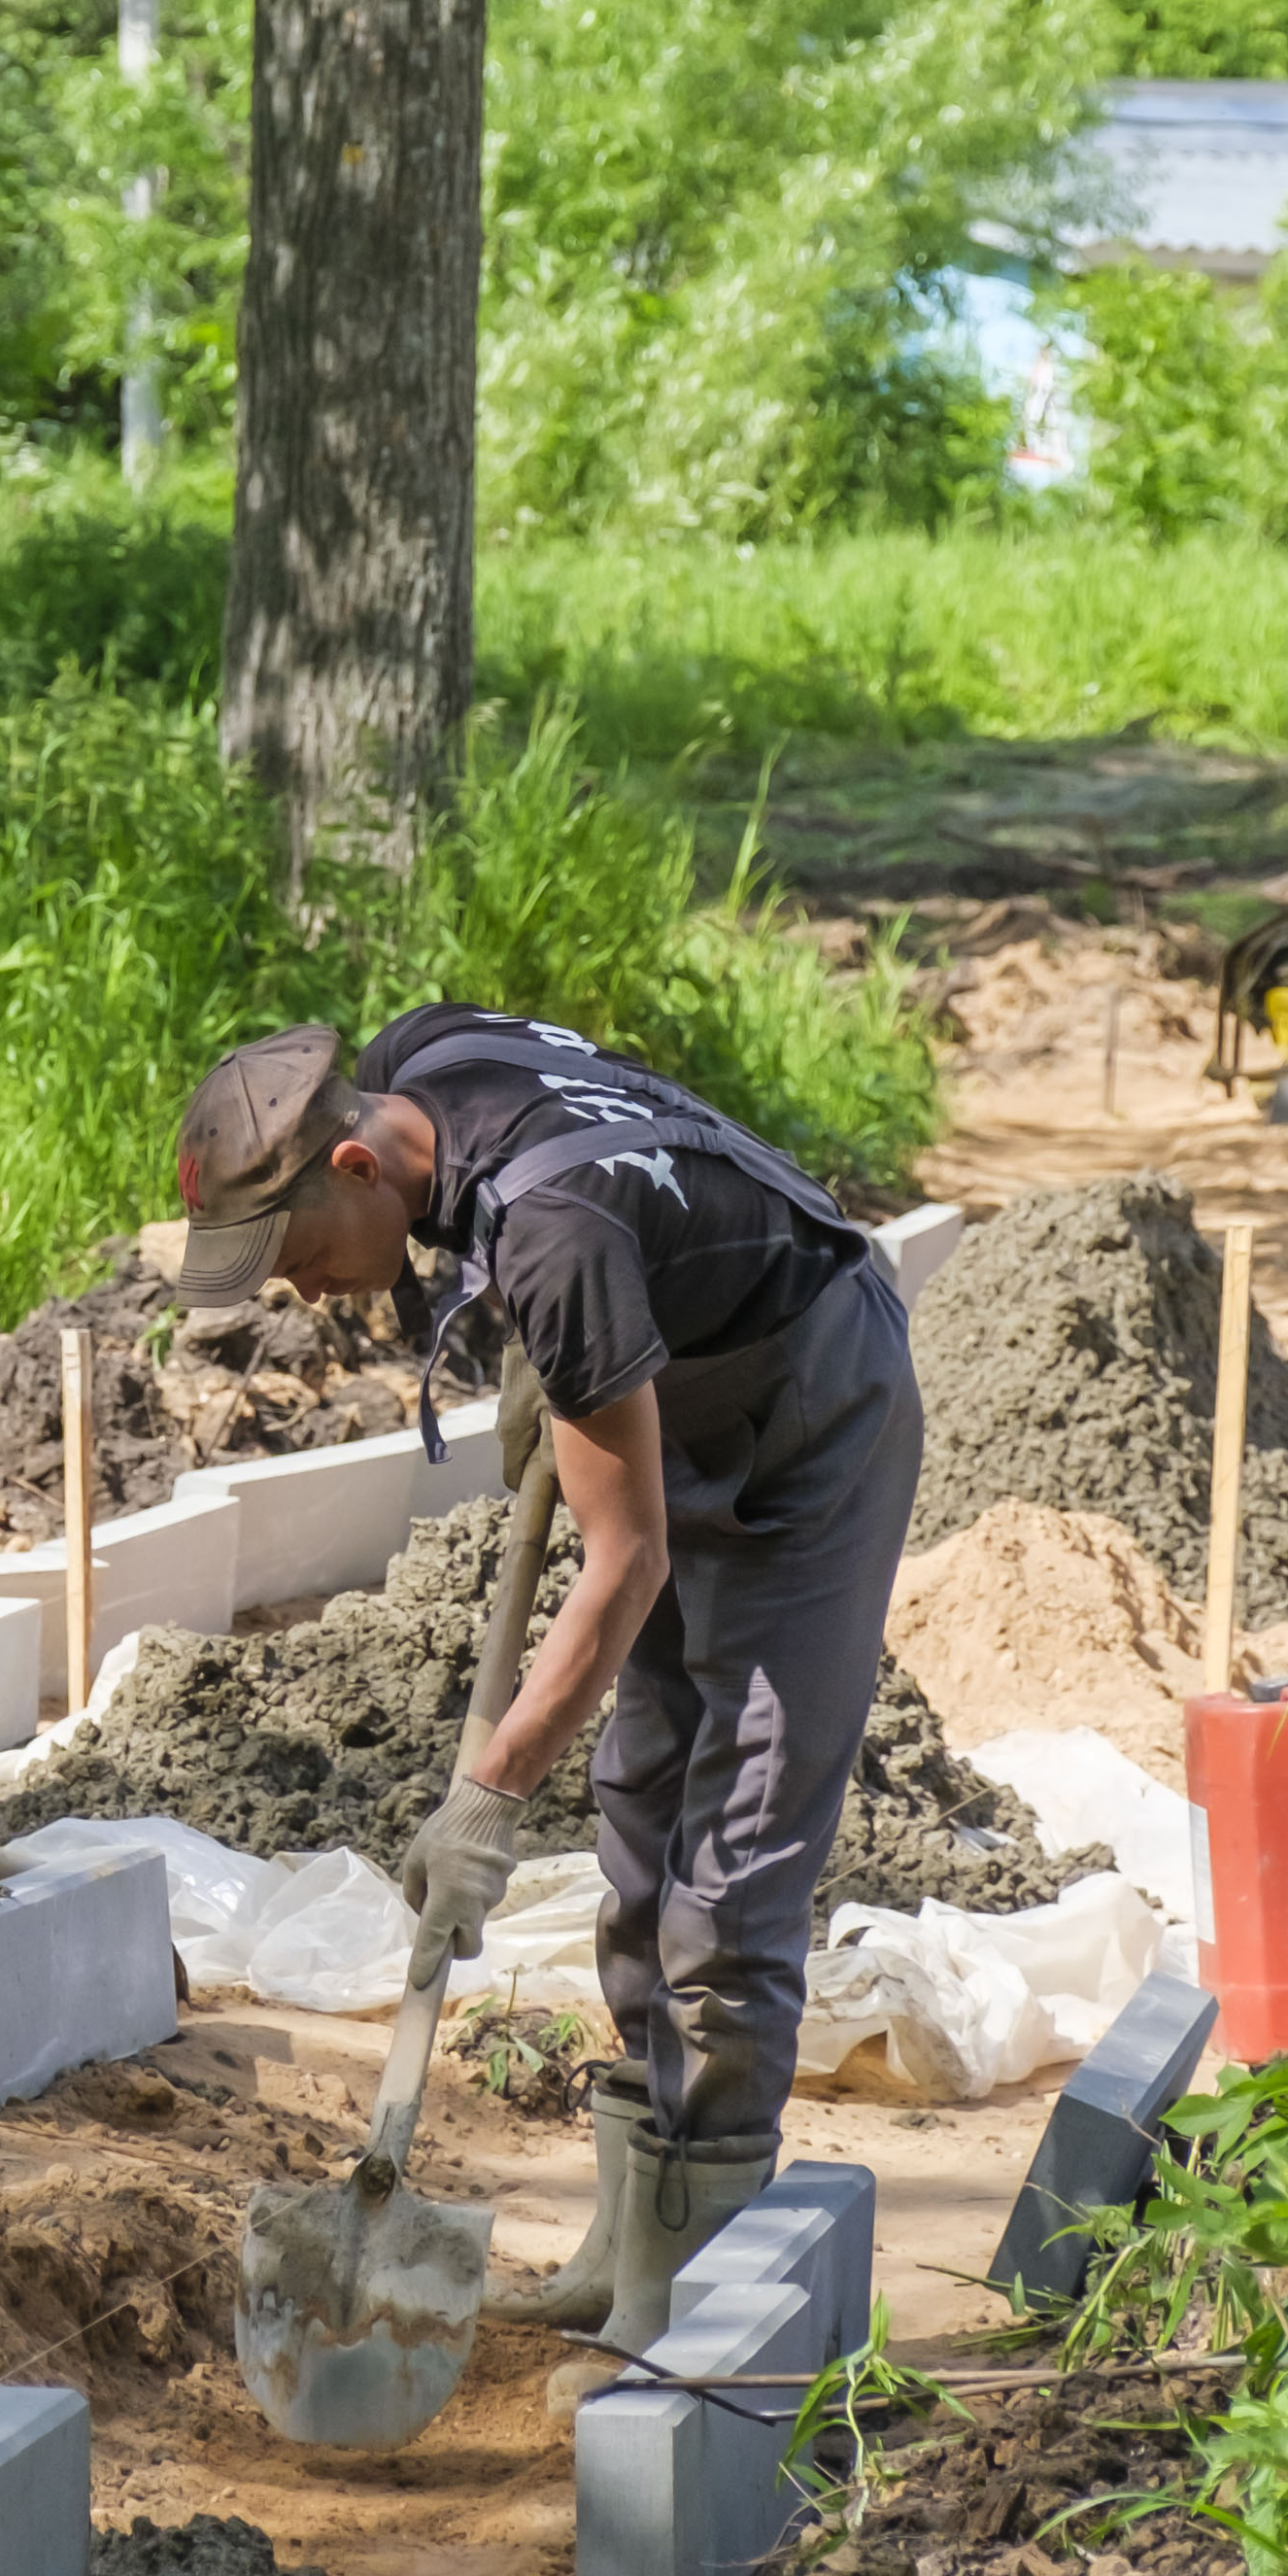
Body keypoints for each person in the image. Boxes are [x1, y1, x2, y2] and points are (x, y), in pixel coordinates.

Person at [166, 1008, 923, 2362]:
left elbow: (622, 1568)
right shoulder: (424, 1059)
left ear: (352, 1165)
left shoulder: (555, 1239)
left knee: (730, 1871)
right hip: (685, 1372)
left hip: (814, 1407)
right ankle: (625, 2248)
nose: (305, 1291)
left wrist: (488, 1798)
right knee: (638, 1809)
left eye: (294, 1257)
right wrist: (560, 1353)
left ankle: (688, 2313)